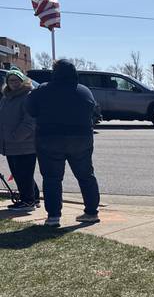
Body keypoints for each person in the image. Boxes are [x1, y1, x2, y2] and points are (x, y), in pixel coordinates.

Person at [26, 60, 100, 227]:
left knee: (52, 178)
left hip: (49, 139)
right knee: (86, 176)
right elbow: (94, 111)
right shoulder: (84, 91)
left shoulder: (43, 90)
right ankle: (91, 212)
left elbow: (30, 109)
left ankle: (53, 216)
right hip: (81, 139)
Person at [0, 69, 40, 210]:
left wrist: (15, 136)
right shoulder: (6, 98)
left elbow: (30, 122)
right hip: (10, 145)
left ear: (23, 81)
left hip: (25, 144)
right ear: (7, 82)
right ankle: (33, 198)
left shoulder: (27, 96)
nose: (14, 83)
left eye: (17, 80)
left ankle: (28, 202)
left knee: (24, 174)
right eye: (11, 81)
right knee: (19, 174)